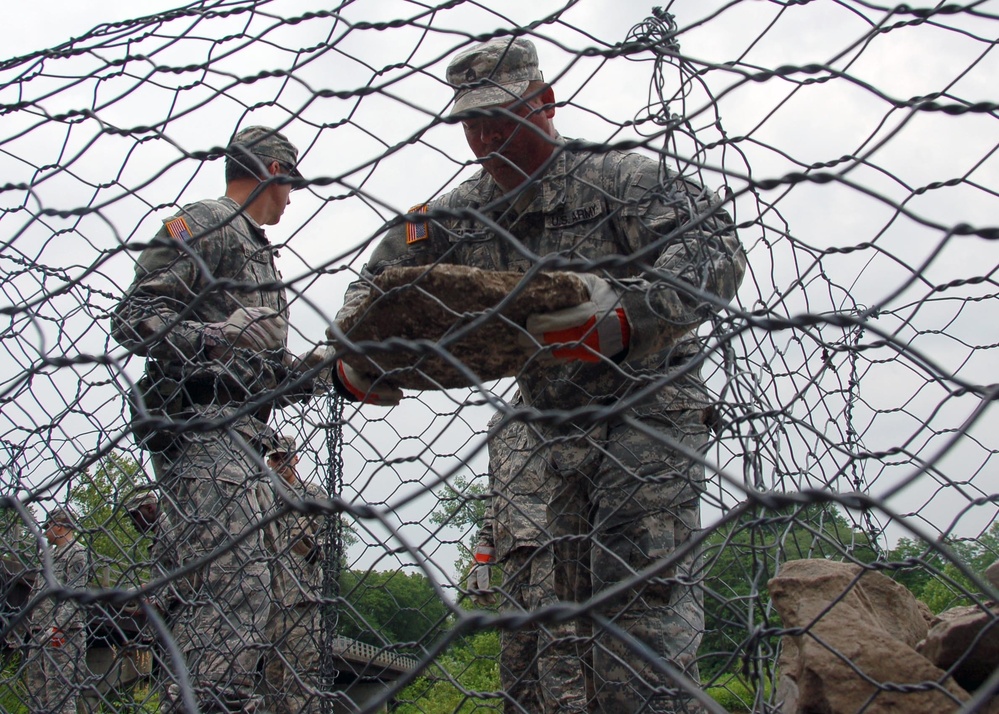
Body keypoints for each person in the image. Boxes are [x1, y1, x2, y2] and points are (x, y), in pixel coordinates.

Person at [329, 38, 746, 713]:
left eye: (503, 116)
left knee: (636, 612)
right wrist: (355, 358)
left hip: (646, 406)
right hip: (551, 429)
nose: (487, 135)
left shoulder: (622, 178)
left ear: (546, 103)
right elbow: (372, 290)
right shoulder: (452, 216)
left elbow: (714, 252)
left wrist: (625, 317)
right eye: (471, 122)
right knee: (561, 615)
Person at [111, 125, 323, 711]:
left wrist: (321, 368)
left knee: (267, 596)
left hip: (245, 441)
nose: (291, 197)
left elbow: (260, 368)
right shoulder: (211, 221)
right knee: (236, 591)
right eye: (289, 184)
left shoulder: (255, 247)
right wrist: (212, 337)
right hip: (203, 433)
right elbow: (135, 317)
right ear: (274, 169)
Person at [259, 435, 327, 714]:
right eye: (275, 457)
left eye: (286, 456)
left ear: (296, 458)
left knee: (301, 677)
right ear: (268, 461)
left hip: (302, 598)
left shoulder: (313, 494)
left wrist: (313, 548)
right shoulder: (261, 497)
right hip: (270, 602)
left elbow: (327, 539)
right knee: (272, 680)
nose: (281, 462)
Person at [24, 506, 89, 714]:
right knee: (37, 697)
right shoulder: (47, 557)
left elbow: (74, 596)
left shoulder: (77, 553)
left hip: (63, 635)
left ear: (60, 526)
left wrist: (57, 627)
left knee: (60, 698)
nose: (46, 531)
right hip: (39, 634)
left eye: (49, 525)